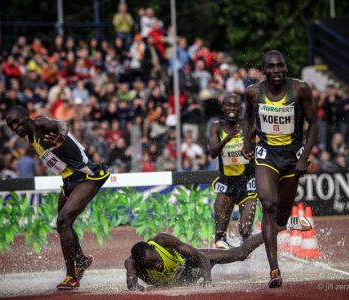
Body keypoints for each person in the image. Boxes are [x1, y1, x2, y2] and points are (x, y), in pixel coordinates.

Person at [5, 105, 109, 290]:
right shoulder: (31, 139)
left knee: (63, 221)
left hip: (85, 175)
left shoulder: (40, 123)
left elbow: (61, 124)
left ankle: (71, 276)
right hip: (68, 181)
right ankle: (81, 260)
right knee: (61, 225)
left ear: (26, 116)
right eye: (11, 126)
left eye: (16, 121)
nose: (14, 127)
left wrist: (62, 134)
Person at [242, 50, 317, 288]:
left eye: (280, 66)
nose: (276, 71)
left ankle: (281, 226)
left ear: (286, 67)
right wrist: (246, 142)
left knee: (282, 216)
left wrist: (305, 156)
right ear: (263, 71)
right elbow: (248, 118)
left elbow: (314, 122)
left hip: (292, 157)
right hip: (266, 155)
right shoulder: (253, 92)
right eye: (271, 67)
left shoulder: (300, 89)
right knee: (269, 205)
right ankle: (274, 268)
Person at [125, 229, 275, 291]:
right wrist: (136, 286)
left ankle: (278, 226)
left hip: (188, 266)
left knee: (239, 254)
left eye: (156, 260)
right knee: (212, 261)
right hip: (180, 280)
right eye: (151, 265)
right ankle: (215, 258)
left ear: (156, 249)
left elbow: (200, 256)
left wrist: (207, 279)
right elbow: (132, 286)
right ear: (139, 263)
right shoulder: (131, 264)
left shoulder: (163, 241)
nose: (157, 265)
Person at [209, 93, 257, 249]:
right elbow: (213, 153)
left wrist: (252, 151)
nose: (232, 108)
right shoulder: (216, 127)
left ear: (239, 108)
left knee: (245, 230)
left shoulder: (247, 126)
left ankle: (247, 257)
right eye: (228, 105)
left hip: (247, 182)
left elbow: (261, 146)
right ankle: (224, 261)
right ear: (223, 108)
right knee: (220, 234)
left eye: (235, 105)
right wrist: (226, 139)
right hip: (227, 182)